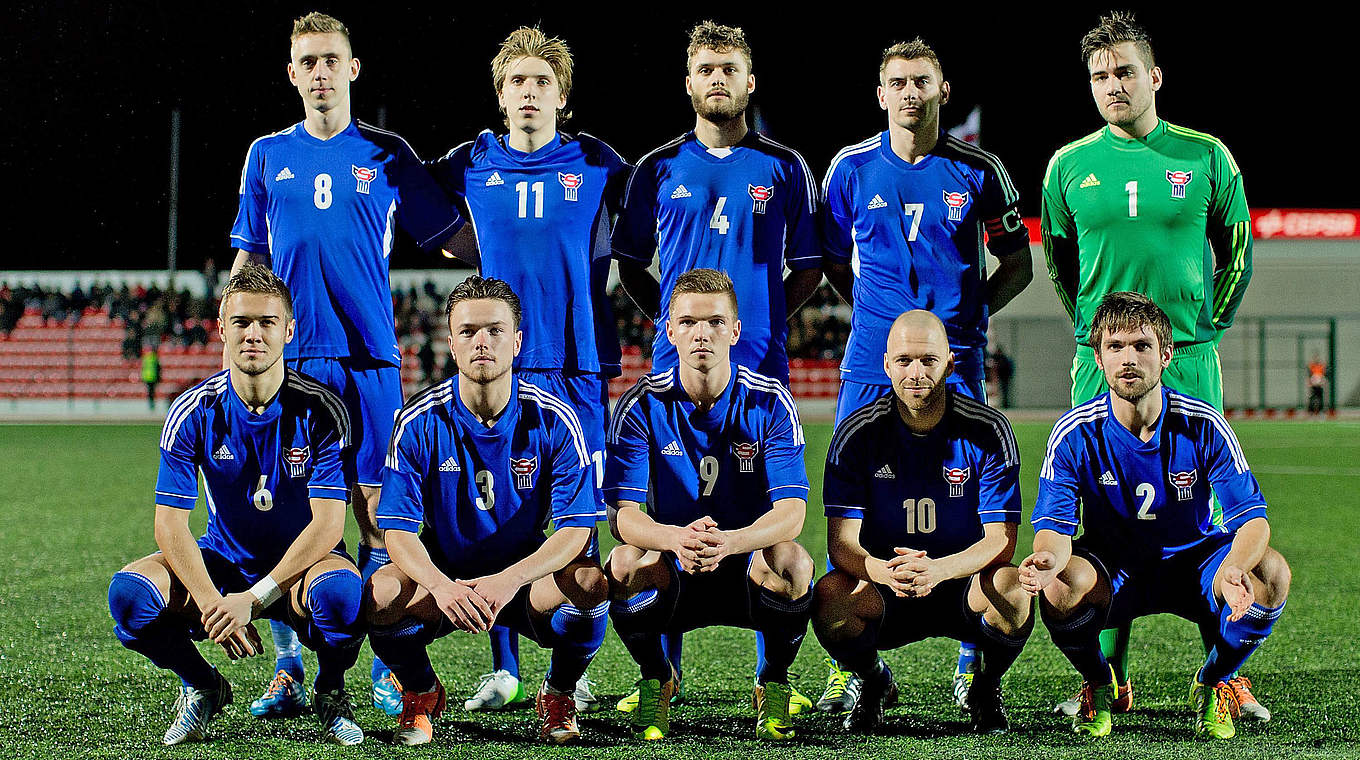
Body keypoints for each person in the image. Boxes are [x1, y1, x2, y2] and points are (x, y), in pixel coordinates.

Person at [228, 12, 460, 717]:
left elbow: (451, 238)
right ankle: (291, 666)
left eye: (333, 59)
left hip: (369, 359)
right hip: (289, 361)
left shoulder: (388, 154)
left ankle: (389, 665)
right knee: (286, 511)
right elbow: (250, 258)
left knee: (376, 513)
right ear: (292, 74)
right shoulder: (266, 154)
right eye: (309, 61)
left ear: (354, 69)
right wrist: (232, 328)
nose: (322, 71)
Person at [1040, 11, 1259, 719]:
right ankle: (1107, 676)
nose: (1112, 85)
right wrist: (1092, 335)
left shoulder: (1206, 157)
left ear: (1154, 76)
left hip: (1190, 360)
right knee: (1106, 527)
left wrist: (1206, 328)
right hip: (1099, 365)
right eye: (1100, 75)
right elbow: (1061, 264)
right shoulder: (1069, 165)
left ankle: (1224, 670)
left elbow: (1240, 248)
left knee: (1214, 517)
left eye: (1124, 71)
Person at [610, 19, 820, 714]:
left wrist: (757, 322)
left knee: (765, 521)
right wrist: (668, 321)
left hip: (758, 374)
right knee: (663, 523)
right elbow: (631, 263)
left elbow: (811, 268)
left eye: (730, 68)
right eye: (706, 68)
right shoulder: (657, 168)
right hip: (674, 379)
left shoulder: (785, 167)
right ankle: (658, 681)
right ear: (690, 81)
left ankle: (772, 683)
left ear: (749, 81)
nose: (718, 79)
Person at [819, 38, 1033, 710]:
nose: (911, 93)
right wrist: (878, 322)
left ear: (942, 91)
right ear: (881, 94)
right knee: (852, 500)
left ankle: (972, 660)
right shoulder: (849, 169)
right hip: (870, 367)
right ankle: (850, 663)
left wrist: (969, 321)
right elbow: (827, 259)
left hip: (959, 365)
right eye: (898, 83)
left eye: (923, 82)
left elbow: (1017, 263)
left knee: (970, 501)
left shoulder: (979, 171)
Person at [426, 26, 627, 714]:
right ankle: (505, 665)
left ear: (562, 96)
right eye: (517, 81)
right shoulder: (470, 161)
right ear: (501, 95)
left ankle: (572, 664)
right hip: (499, 366)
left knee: (581, 514)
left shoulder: (599, 162)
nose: (529, 92)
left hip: (577, 362)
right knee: (500, 513)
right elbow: (422, 205)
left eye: (543, 81)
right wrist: (468, 247)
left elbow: (645, 219)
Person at [107, 265, 365, 746]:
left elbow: (330, 526)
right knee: (128, 596)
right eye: (242, 322)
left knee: (343, 598)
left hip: (302, 571)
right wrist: (212, 603)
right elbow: (170, 527)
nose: (254, 334)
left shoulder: (323, 409)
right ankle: (203, 684)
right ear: (222, 328)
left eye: (267, 323)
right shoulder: (192, 412)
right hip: (224, 564)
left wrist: (253, 599)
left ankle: (330, 690)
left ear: (289, 331)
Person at [1021, 292, 1290, 739]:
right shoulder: (1074, 433)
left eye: (1142, 346)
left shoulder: (1203, 424)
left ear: (1165, 355)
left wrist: (1235, 570)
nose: (1128, 358)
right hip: (1116, 570)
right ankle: (1099, 683)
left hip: (1196, 567)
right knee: (1061, 583)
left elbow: (1253, 521)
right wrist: (1047, 560)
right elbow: (1054, 529)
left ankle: (1214, 681)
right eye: (1116, 346)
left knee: (1272, 571)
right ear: (1098, 357)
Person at [365, 276, 609, 746]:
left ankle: (558, 691)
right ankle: (421, 691)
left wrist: (508, 580)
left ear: (517, 342)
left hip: (521, 578)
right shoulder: (418, 421)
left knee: (589, 584)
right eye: (469, 331)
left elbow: (575, 530)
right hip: (446, 577)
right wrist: (440, 585)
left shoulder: (555, 419)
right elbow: (396, 532)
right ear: (451, 343)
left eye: (496, 331)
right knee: (379, 592)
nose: (483, 342)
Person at [604, 269, 814, 741]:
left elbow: (792, 514)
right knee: (622, 564)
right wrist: (677, 539)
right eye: (690, 322)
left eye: (717, 322)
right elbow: (625, 519)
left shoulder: (770, 402)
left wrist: (730, 542)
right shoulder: (641, 405)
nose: (703, 333)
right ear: (669, 331)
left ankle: (773, 683)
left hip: (743, 568)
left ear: (736, 331)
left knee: (794, 561)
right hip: (676, 570)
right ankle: (657, 679)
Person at [813, 310, 1030, 734]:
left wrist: (940, 569)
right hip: (887, 587)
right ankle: (873, 681)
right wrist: (882, 570)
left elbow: (1001, 541)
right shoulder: (856, 434)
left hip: (961, 586)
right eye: (905, 360)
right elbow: (841, 544)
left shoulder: (988, 429)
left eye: (928, 361)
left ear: (950, 363)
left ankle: (985, 686)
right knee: (830, 598)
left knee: (1014, 588)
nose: (916, 373)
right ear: (886, 364)